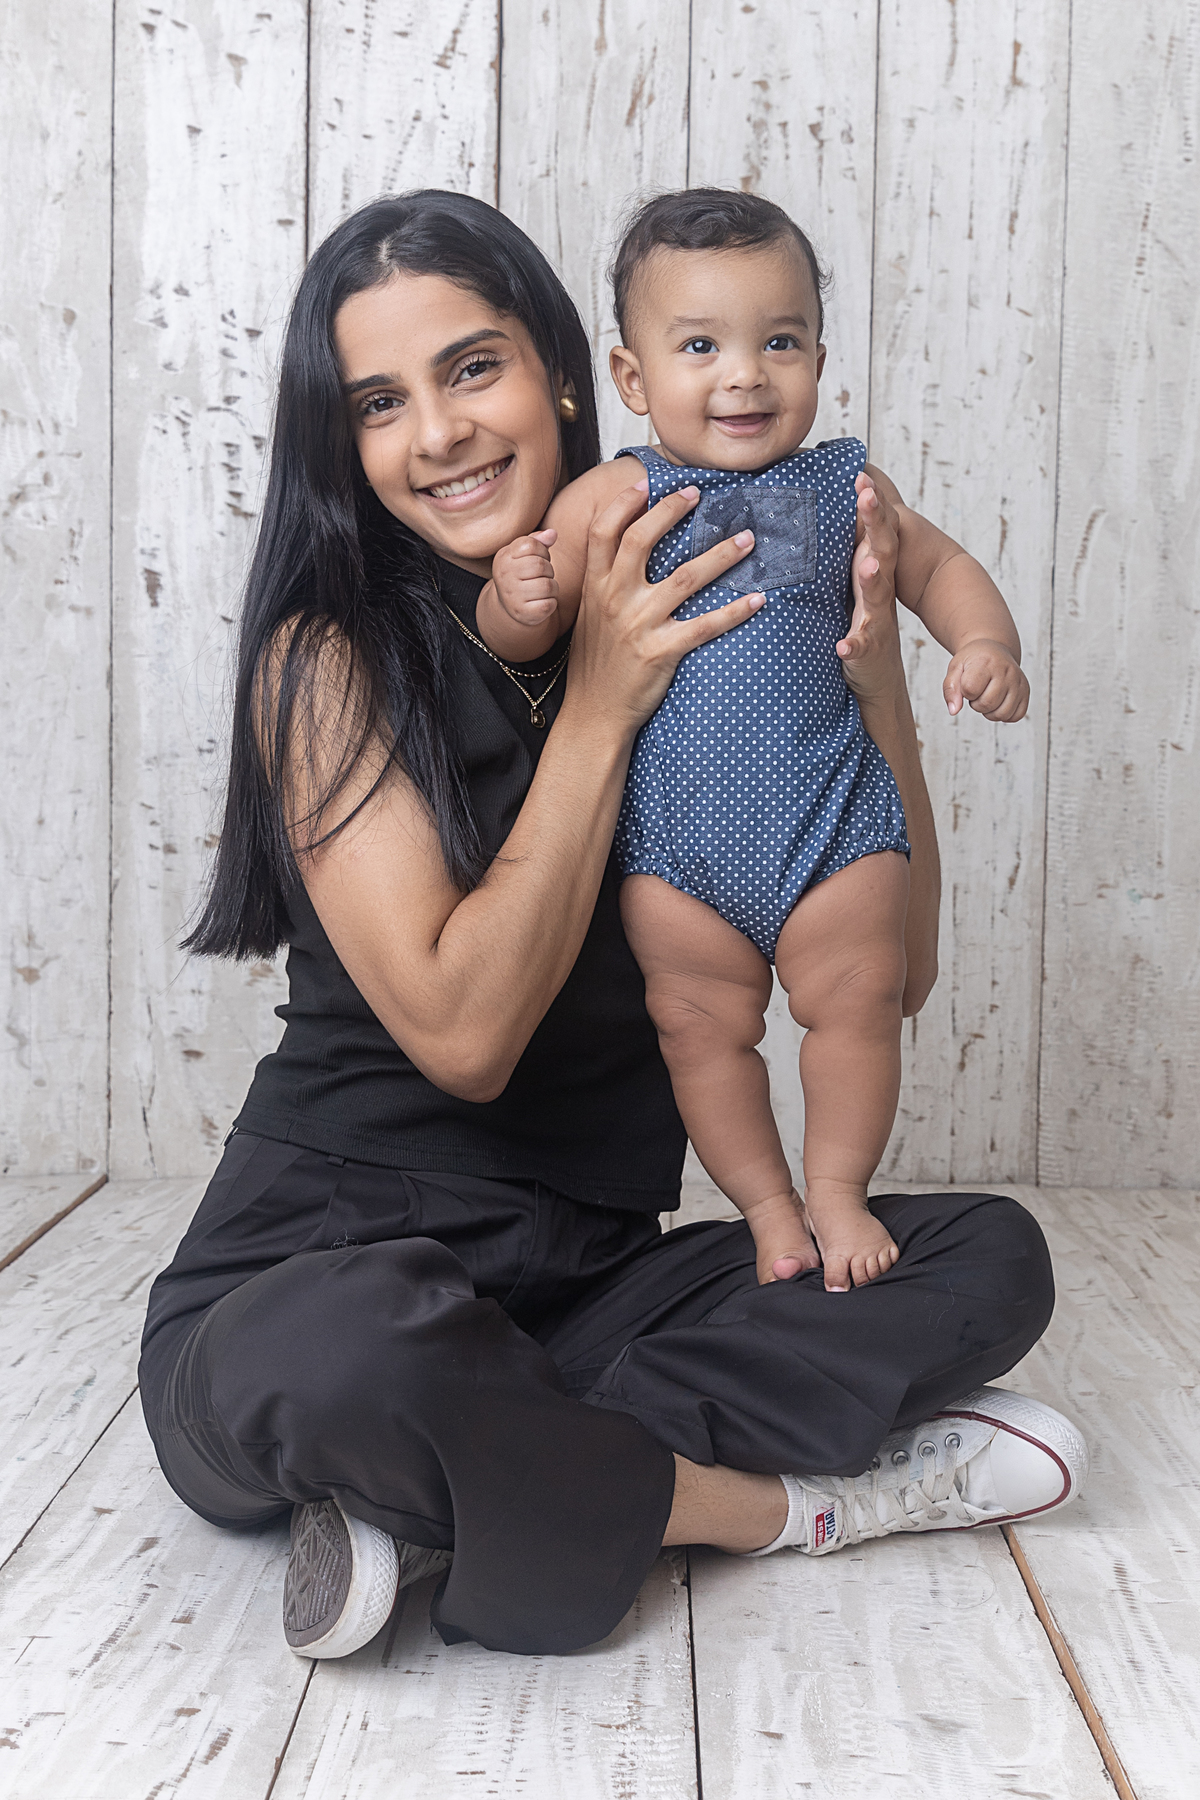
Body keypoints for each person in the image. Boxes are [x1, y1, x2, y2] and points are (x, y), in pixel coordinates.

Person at [138, 190, 1085, 1665]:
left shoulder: (703, 565)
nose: (439, 433)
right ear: (345, 444)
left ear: (571, 376)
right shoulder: (327, 658)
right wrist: (601, 698)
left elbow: (899, 975)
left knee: (990, 1257)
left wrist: (884, 685)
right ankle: (770, 1509)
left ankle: (450, 1491)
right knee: (341, 1354)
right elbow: (462, 1039)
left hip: (586, 1283)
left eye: (472, 368)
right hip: (320, 1269)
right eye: (380, 403)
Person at [477, 189, 1030, 1295]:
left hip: (832, 825)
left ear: (819, 356)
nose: (745, 374)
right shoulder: (617, 493)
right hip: (678, 853)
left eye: (779, 341)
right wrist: (520, 592)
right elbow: (516, 635)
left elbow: (940, 568)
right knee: (698, 1029)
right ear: (634, 380)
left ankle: (836, 1189)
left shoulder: (845, 488)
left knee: (861, 1001)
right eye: (701, 346)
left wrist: (982, 643)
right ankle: (768, 1206)